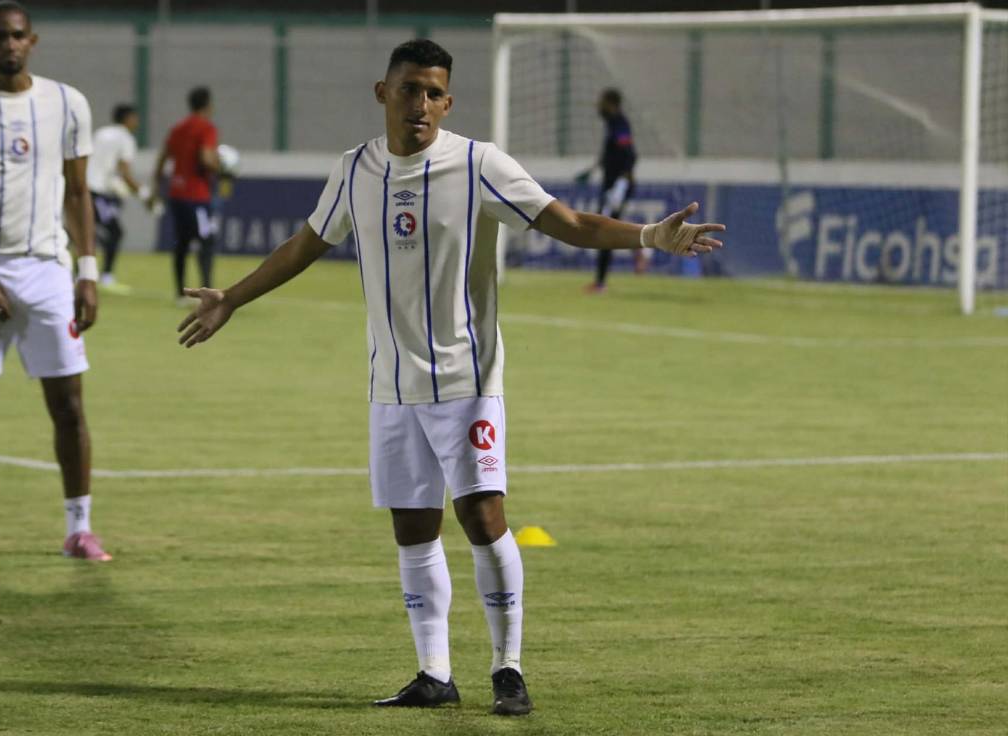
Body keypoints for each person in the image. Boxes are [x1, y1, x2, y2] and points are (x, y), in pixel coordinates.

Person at [175, 40, 723, 715]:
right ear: (383, 93)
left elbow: (569, 222)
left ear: (448, 101)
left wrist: (648, 237)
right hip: (391, 387)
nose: (422, 104)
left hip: (467, 380)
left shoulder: (477, 163)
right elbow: (305, 245)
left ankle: (508, 668)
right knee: (412, 527)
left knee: (482, 516)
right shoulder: (355, 171)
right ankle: (434, 672)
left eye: (434, 93)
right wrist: (231, 295)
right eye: (410, 90)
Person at [0, 0, 111, 562]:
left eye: (17, 35)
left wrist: (86, 270)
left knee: (69, 405)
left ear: (33, 40)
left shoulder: (66, 103)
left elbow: (79, 192)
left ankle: (79, 530)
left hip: (50, 270)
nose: (9, 44)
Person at [150, 86, 223, 300]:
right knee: (206, 240)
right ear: (208, 105)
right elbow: (206, 158)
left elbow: (163, 158)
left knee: (181, 243)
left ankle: (180, 293)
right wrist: (221, 167)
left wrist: (157, 185)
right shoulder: (206, 128)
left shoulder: (178, 128)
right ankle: (207, 291)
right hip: (197, 196)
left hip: (176, 193)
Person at [579, 88, 640, 291]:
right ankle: (638, 248)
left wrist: (621, 183)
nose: (598, 106)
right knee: (607, 227)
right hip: (612, 186)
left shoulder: (620, 124)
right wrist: (593, 169)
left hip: (617, 187)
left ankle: (601, 282)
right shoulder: (613, 125)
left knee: (603, 230)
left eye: (602, 102)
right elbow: (613, 155)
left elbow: (630, 154)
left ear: (612, 104)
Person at [88, 103, 142, 290]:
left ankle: (83, 274)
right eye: (135, 117)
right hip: (98, 192)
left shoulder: (101, 133)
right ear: (127, 118)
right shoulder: (126, 139)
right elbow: (125, 172)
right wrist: (144, 193)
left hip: (85, 189)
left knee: (88, 232)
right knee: (115, 232)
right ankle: (106, 276)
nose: (137, 121)